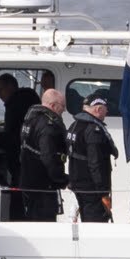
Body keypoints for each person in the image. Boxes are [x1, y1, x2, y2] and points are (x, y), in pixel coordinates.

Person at [0, 73, 41, 220]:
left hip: (20, 161)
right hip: (33, 161)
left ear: (10, 87)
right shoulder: (31, 99)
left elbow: (13, 136)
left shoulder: (14, 104)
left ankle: (16, 221)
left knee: (18, 196)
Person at [67, 92, 118, 222]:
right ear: (98, 109)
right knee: (96, 224)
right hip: (92, 189)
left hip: (78, 184)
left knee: (86, 219)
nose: (107, 112)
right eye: (106, 108)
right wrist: (103, 193)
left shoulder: (75, 125)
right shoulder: (93, 130)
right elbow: (96, 163)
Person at [19, 89, 68, 221]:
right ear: (53, 106)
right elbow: (48, 157)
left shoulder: (31, 119)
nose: (63, 110)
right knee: (44, 222)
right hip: (43, 185)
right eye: (62, 107)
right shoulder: (48, 126)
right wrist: (61, 179)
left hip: (28, 180)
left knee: (31, 217)